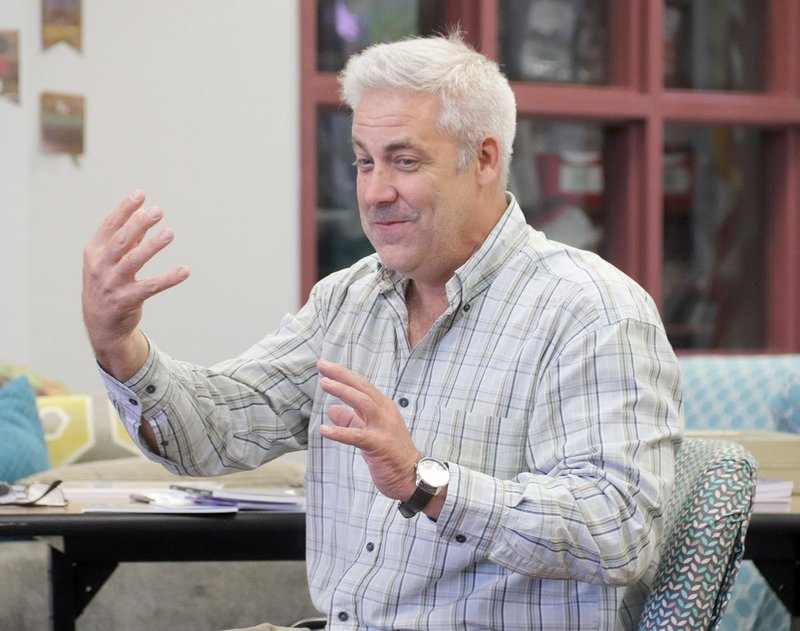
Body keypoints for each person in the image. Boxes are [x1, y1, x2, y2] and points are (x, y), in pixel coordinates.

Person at [82, 32, 683, 631]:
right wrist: (120, 346)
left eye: (405, 160)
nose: (374, 192)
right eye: (365, 161)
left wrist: (427, 483)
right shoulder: (348, 300)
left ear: (485, 159)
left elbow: (619, 531)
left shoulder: (593, 311)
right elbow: (217, 432)